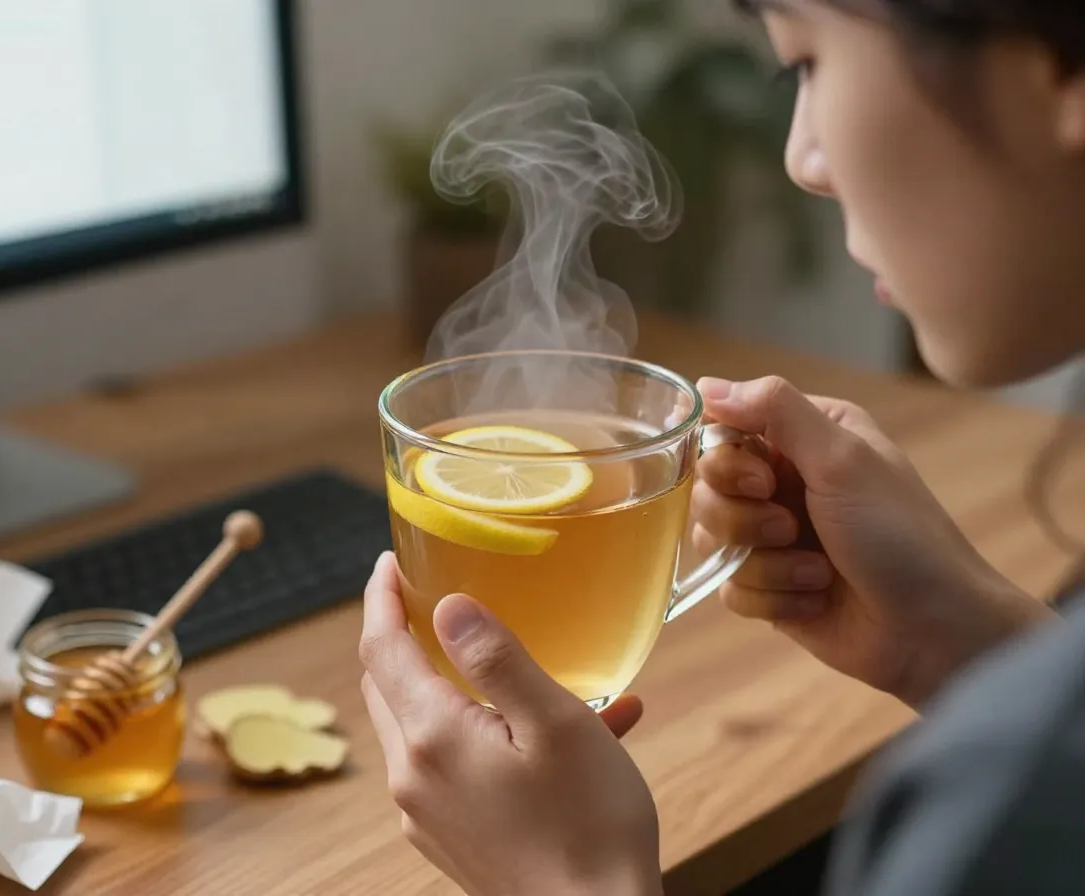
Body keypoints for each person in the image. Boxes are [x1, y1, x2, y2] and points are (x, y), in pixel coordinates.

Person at [357, 0, 1085, 892]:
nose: (803, 160)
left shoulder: (1002, 806)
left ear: (1060, 71)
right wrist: (965, 645)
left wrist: (574, 881)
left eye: (805, 61)